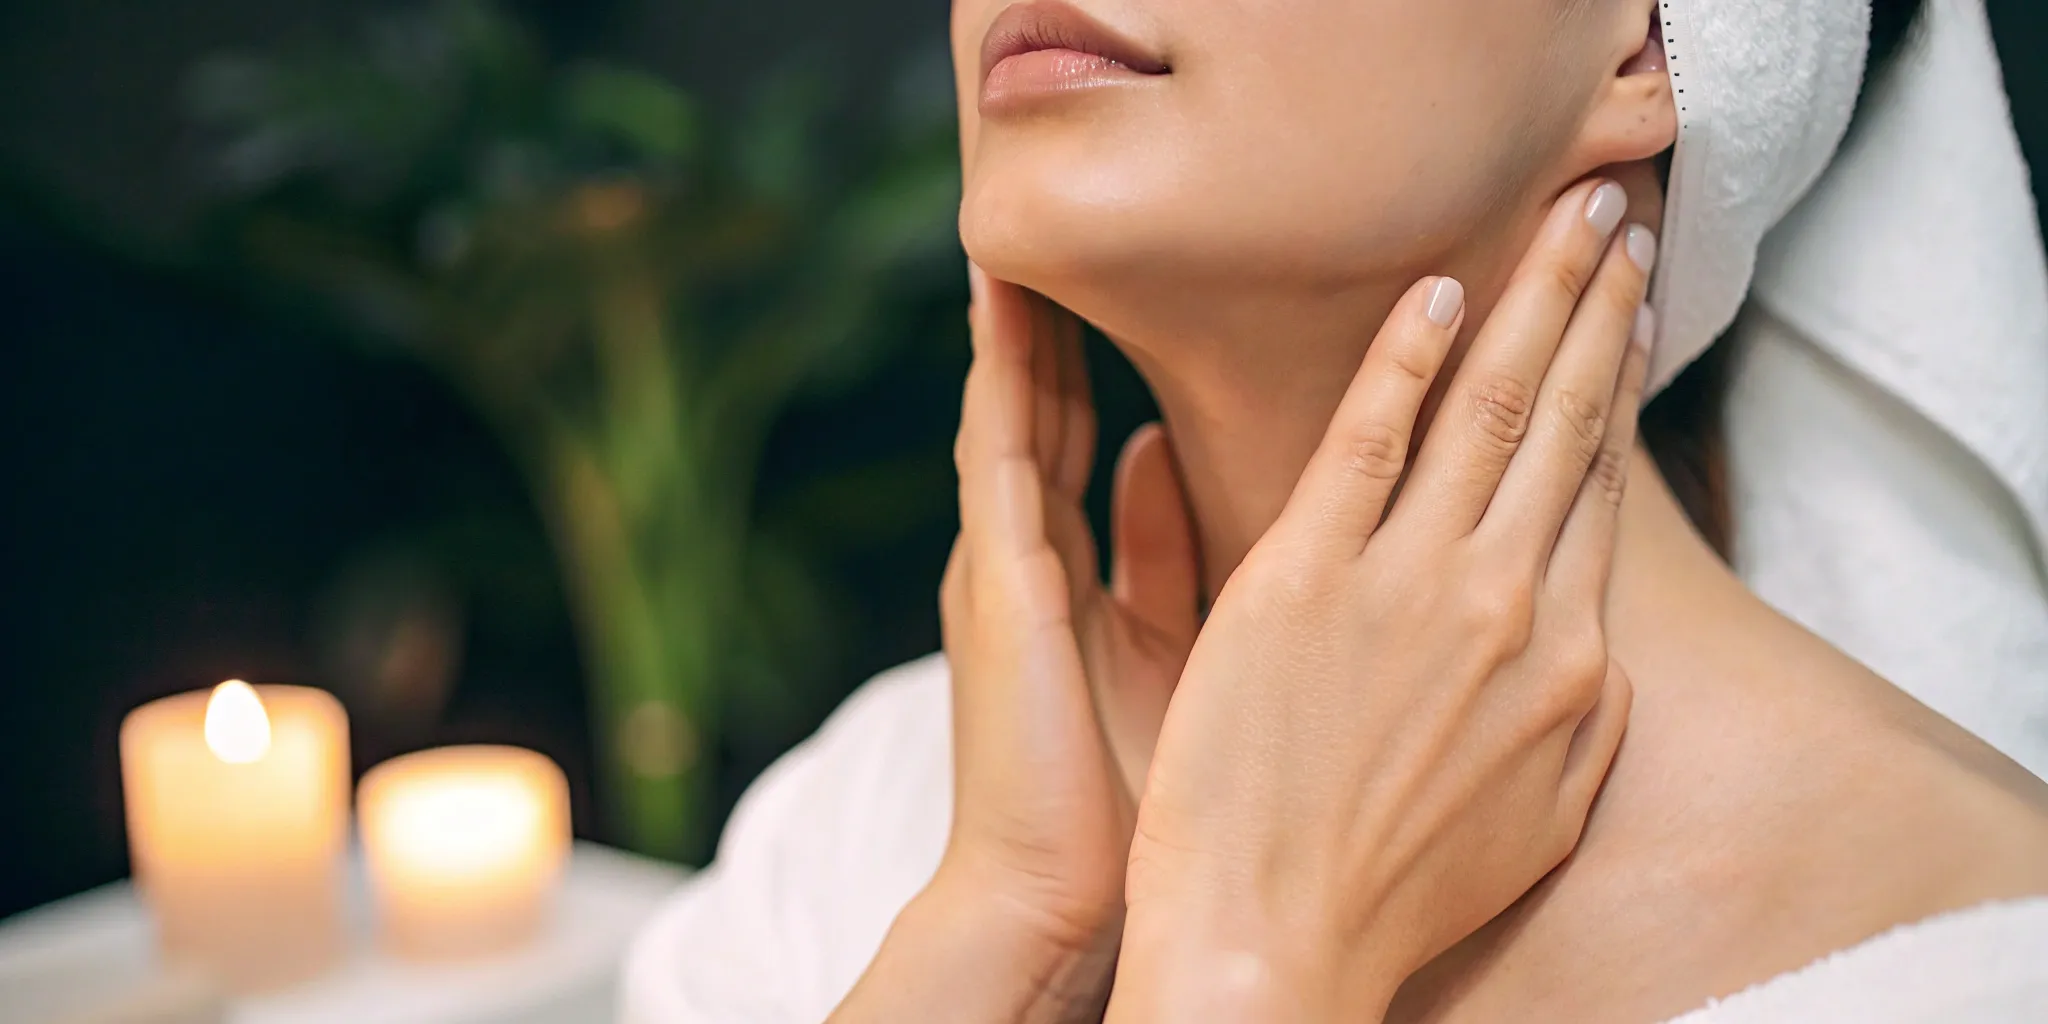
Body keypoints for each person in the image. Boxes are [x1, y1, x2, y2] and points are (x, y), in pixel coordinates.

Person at [623, 0, 2048, 1019]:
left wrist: (1244, 954)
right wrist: (1024, 935)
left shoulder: (1976, 960)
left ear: (1651, 39)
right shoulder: (870, 837)